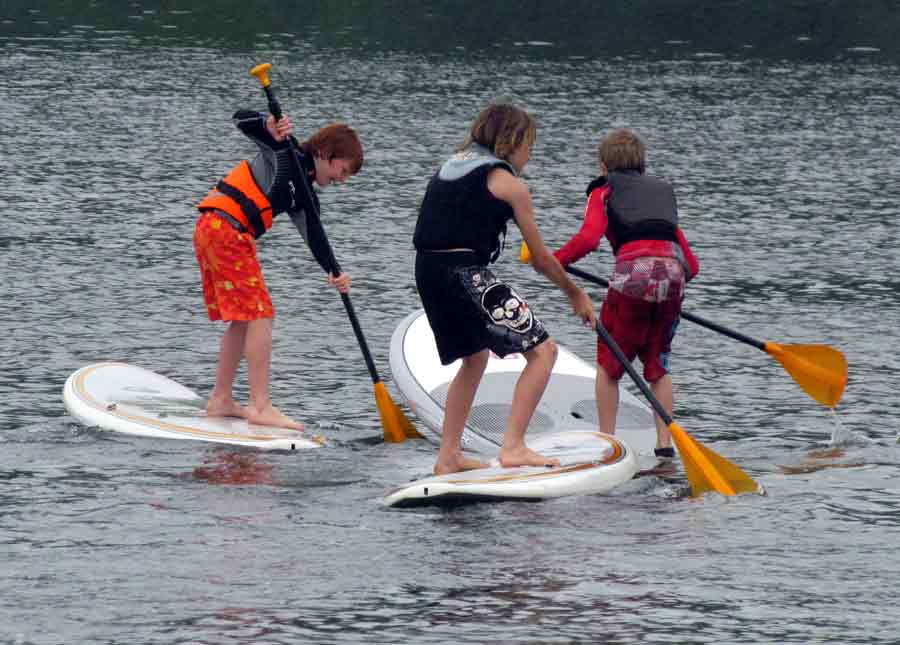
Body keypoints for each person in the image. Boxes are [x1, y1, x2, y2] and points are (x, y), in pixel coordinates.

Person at [414, 103, 596, 475]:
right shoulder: (509, 184)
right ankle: (513, 446)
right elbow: (542, 259)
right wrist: (575, 294)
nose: (529, 155)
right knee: (543, 351)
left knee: (476, 357)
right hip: (464, 273)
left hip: (426, 270)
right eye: (529, 145)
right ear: (511, 141)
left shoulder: (451, 166)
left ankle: (448, 457)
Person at [194, 109, 363, 430]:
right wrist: (267, 124)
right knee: (261, 314)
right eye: (344, 170)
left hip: (214, 229)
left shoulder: (304, 194)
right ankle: (260, 406)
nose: (343, 179)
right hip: (224, 229)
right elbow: (242, 120)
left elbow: (315, 235)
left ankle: (221, 399)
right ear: (327, 155)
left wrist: (334, 271)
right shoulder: (284, 150)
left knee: (245, 319)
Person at [553, 128, 699, 459]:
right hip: (673, 280)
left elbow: (589, 239)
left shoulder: (603, 191)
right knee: (658, 366)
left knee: (609, 365)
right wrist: (665, 290)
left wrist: (552, 261)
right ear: (642, 165)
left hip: (632, 277)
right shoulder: (662, 194)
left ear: (604, 166)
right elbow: (691, 264)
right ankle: (664, 445)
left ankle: (608, 444)